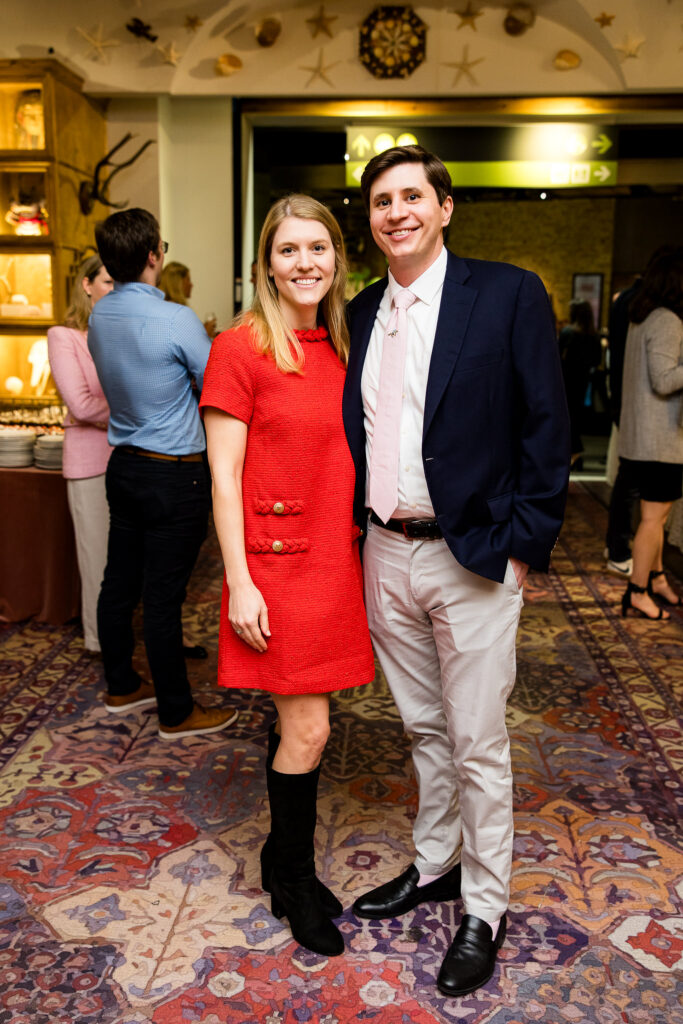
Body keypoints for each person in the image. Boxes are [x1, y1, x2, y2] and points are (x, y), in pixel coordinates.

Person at [342, 146, 570, 997]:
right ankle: (434, 862)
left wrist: (522, 541)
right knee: (422, 729)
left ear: (443, 208)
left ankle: (484, 904)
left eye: (411, 196)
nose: (395, 211)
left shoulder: (505, 293)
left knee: (477, 741)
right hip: (384, 552)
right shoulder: (364, 311)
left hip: (473, 550)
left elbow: (546, 424)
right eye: (380, 201)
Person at [200, 194, 375, 958]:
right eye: (288, 250)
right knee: (309, 726)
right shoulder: (239, 348)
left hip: (335, 559)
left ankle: (279, 858)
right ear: (263, 264)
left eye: (318, 249)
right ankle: (294, 878)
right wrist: (238, 579)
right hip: (274, 565)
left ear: (337, 258)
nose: (305, 263)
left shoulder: (344, 342)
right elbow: (222, 475)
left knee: (303, 722)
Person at [88, 208, 237, 739]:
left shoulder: (99, 315)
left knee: (119, 583)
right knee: (163, 596)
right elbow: (216, 384)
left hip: (123, 465)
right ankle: (176, 711)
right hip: (173, 473)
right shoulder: (176, 319)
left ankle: (122, 683)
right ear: (155, 255)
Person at [47, 255, 114, 652]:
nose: (114, 289)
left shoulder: (120, 333)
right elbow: (82, 405)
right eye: (106, 282)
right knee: (98, 561)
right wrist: (136, 411)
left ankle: (118, 635)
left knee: (125, 562)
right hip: (89, 463)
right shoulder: (64, 336)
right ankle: (99, 642)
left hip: (127, 459)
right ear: (86, 285)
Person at [618, 247, 683, 620]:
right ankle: (638, 590)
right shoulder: (667, 321)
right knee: (653, 520)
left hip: (643, 438)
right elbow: (663, 381)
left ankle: (656, 579)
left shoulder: (642, 317)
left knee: (652, 518)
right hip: (658, 442)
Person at [559, 298, 602, 468]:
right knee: (575, 416)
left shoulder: (568, 333)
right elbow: (597, 359)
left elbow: (557, 356)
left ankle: (573, 453)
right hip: (583, 381)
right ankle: (574, 454)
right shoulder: (593, 335)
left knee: (567, 417)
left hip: (567, 381)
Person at [160, 260, 217, 338]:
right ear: (179, 283)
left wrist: (201, 329)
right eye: (188, 280)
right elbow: (190, 344)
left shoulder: (163, 307)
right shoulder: (179, 312)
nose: (191, 285)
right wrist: (205, 334)